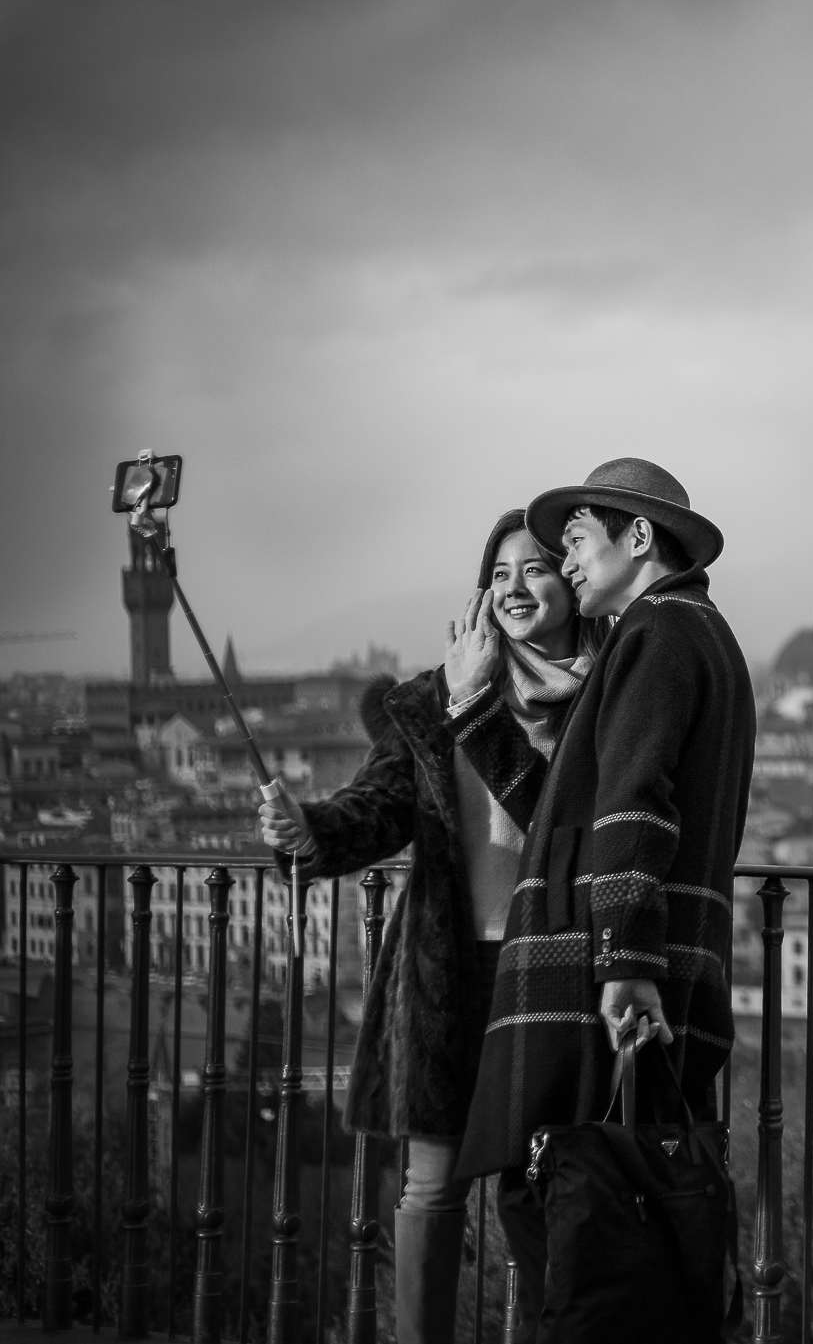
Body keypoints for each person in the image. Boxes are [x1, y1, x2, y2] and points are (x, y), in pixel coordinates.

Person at [256, 510, 595, 1344]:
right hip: (446, 971)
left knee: (556, 1193)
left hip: (552, 972)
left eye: (539, 569)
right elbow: (375, 808)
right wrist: (309, 830)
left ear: (574, 584)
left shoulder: (604, 699)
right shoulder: (429, 697)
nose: (517, 588)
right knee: (431, 1187)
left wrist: (474, 700)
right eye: (502, 573)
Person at [453, 459, 756, 1341]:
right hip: (645, 964)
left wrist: (625, 966)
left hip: (591, 983)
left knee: (568, 1226)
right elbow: (570, 812)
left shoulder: (655, 633)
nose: (566, 560)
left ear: (638, 538)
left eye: (577, 539)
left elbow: (631, 804)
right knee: (629, 1232)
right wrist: (477, 706)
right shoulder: (700, 634)